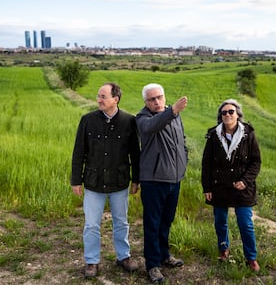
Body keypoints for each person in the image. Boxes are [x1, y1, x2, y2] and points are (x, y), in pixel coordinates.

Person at [71, 82, 140, 278]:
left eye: (103, 96)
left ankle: (123, 257)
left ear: (115, 99)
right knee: (91, 224)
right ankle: (92, 262)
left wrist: (137, 179)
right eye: (98, 96)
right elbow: (79, 153)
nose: (99, 100)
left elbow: (135, 153)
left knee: (121, 222)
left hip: (119, 182)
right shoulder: (87, 120)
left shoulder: (129, 121)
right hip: (93, 183)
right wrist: (76, 180)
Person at [134, 83, 188, 283]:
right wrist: (173, 110)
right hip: (154, 181)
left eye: (159, 97)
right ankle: (153, 265)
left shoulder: (173, 115)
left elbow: (181, 141)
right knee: (152, 224)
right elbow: (152, 126)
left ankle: (165, 255)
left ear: (164, 97)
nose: (157, 102)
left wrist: (184, 163)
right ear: (145, 102)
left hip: (174, 179)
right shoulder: (142, 118)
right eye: (152, 99)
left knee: (167, 221)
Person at [201, 99, 261, 272]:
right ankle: (223, 249)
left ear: (238, 115)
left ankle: (251, 257)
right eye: (224, 112)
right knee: (220, 221)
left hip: (242, 186)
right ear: (220, 116)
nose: (227, 115)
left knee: (245, 223)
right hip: (219, 185)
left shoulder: (248, 134)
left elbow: (256, 162)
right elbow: (206, 164)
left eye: (231, 112)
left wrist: (246, 180)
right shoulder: (213, 135)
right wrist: (207, 188)